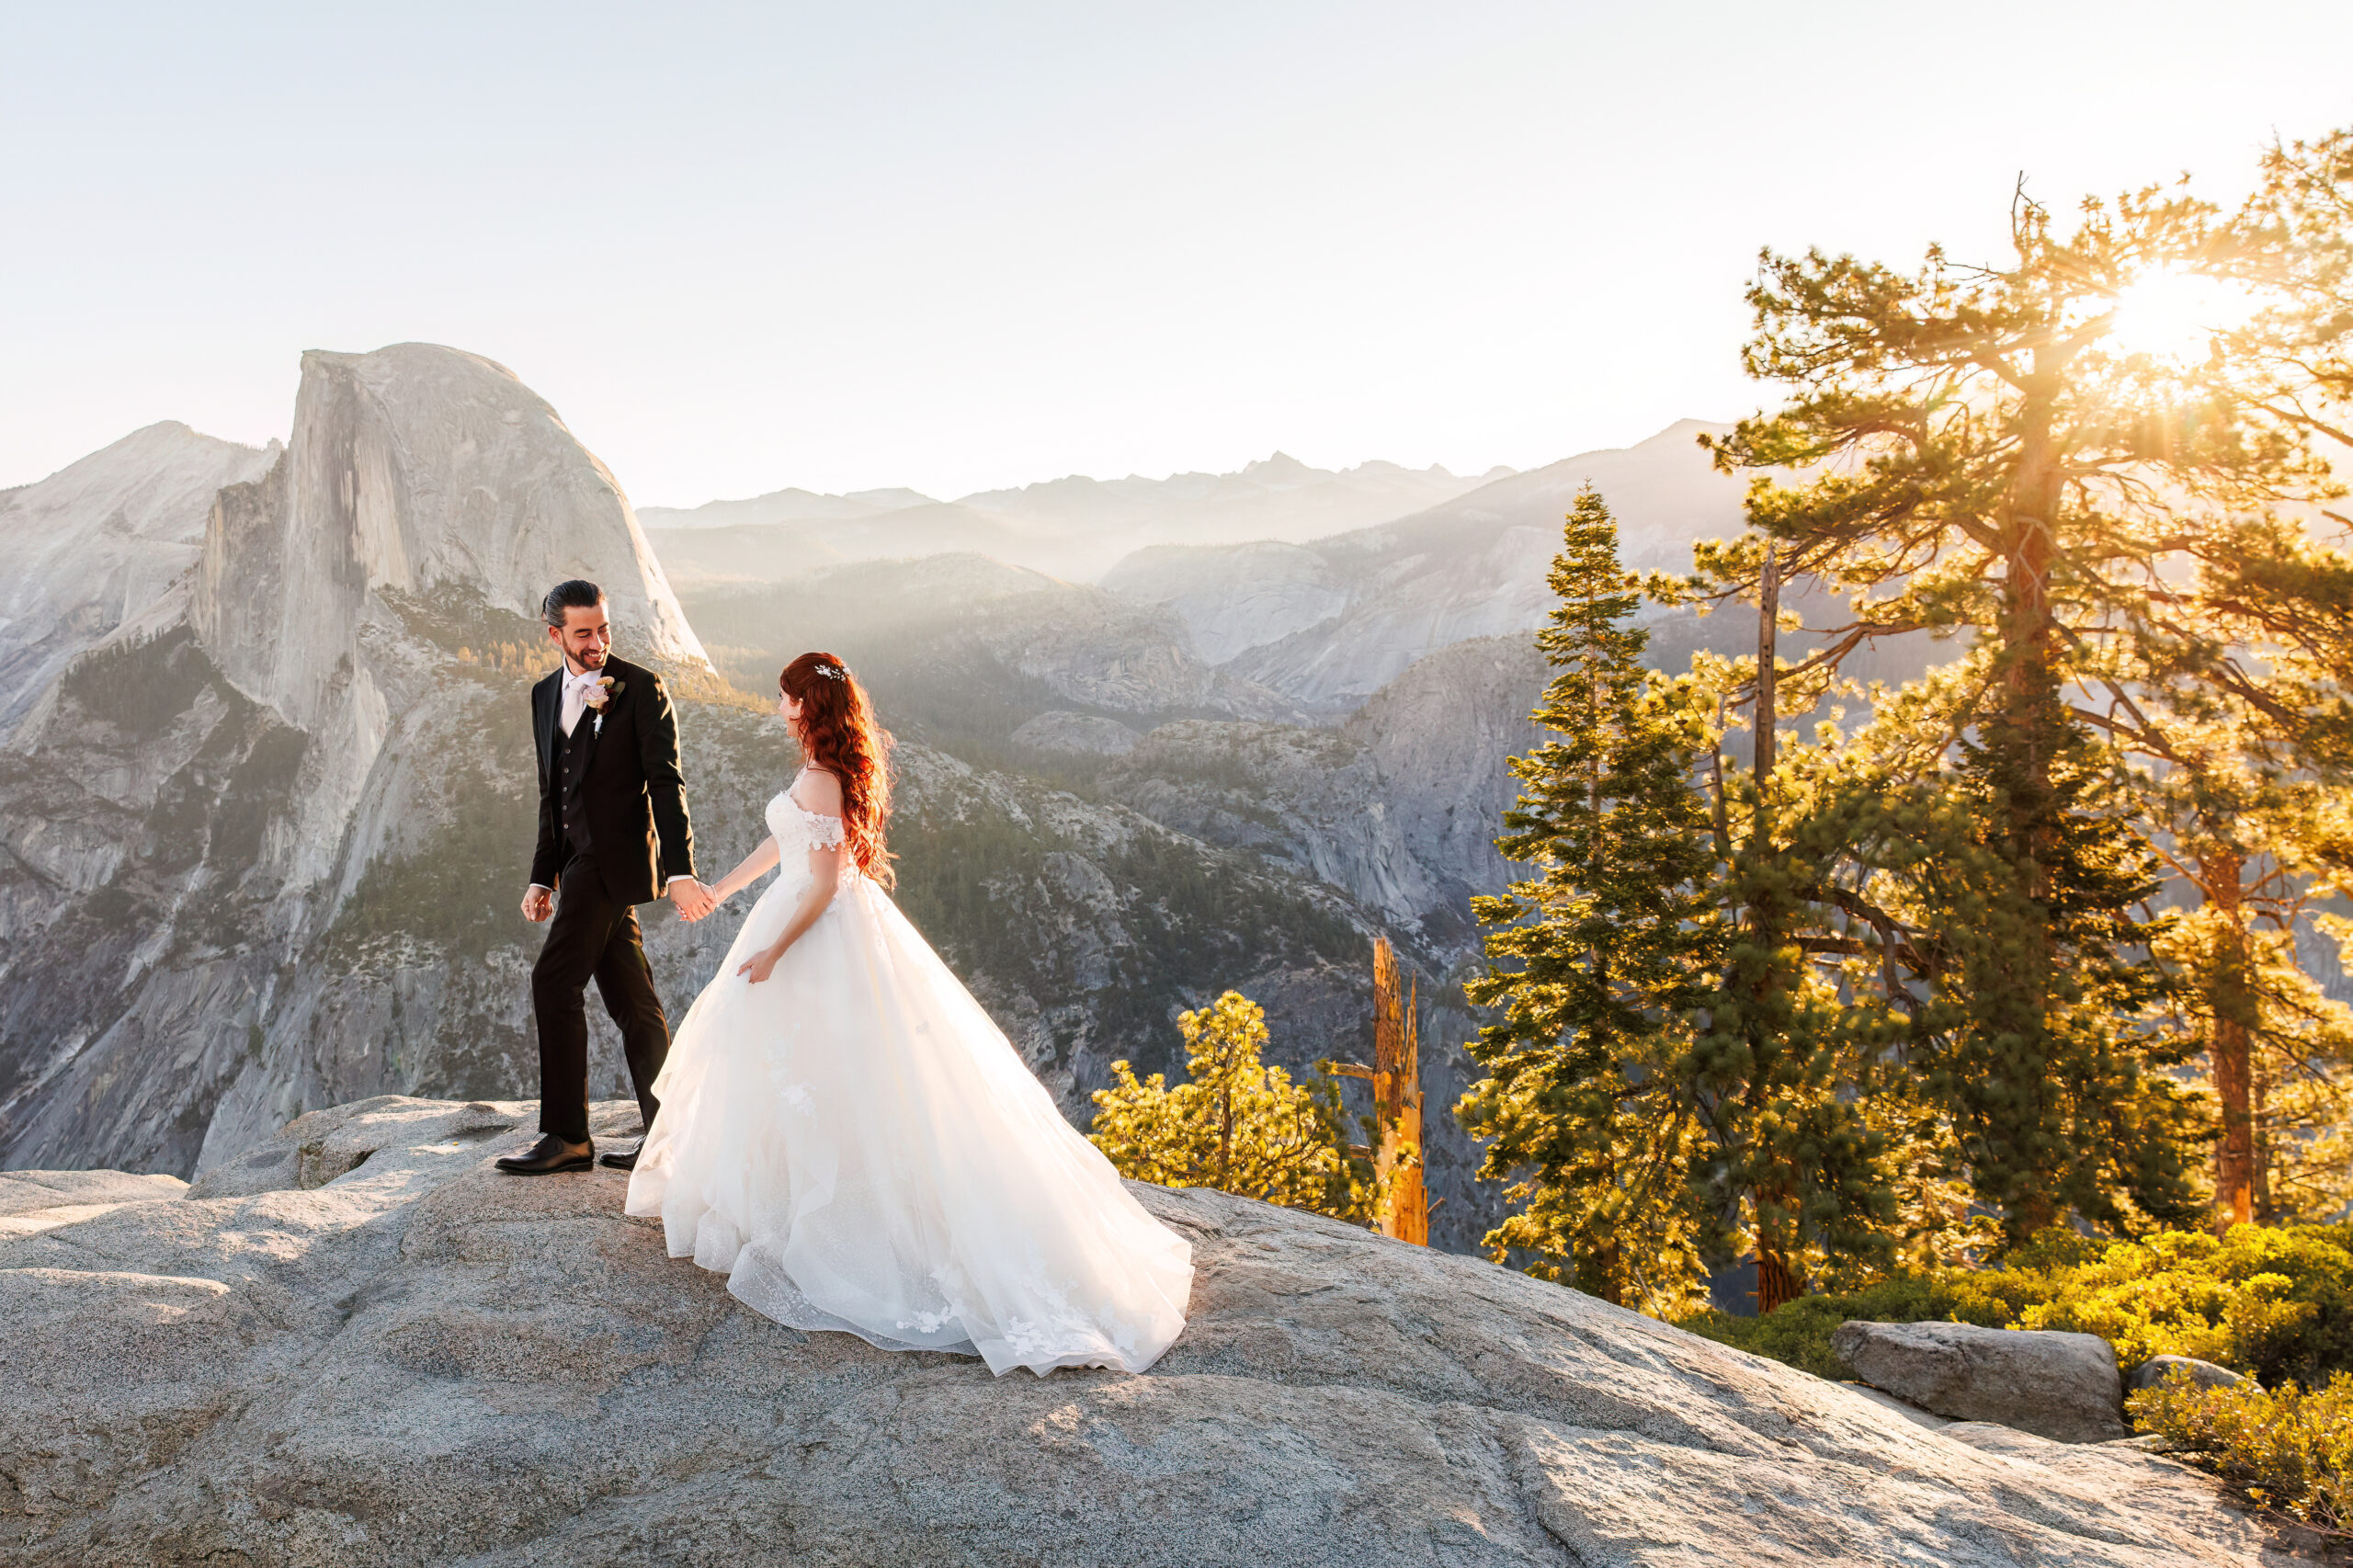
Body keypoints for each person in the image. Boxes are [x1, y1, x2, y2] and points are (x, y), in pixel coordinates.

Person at [627, 652, 1193, 1375]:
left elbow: (825, 885)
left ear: (809, 705)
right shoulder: (817, 774)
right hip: (790, 914)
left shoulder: (826, 778)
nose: (777, 706)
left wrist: (772, 953)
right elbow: (785, 843)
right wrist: (722, 889)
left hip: (815, 930)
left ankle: (843, 1224)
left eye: (786, 697)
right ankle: (784, 1203)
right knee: (793, 1072)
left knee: (831, 1073)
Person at [501, 579, 717, 1176]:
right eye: (583, 633)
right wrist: (542, 876)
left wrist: (680, 871)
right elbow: (552, 795)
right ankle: (668, 1138)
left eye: (603, 629)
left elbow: (668, 785)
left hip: (612, 862)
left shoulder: (642, 688)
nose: (598, 642)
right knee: (634, 1003)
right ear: (555, 636)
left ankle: (569, 1137)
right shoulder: (544, 694)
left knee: (553, 981)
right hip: (575, 868)